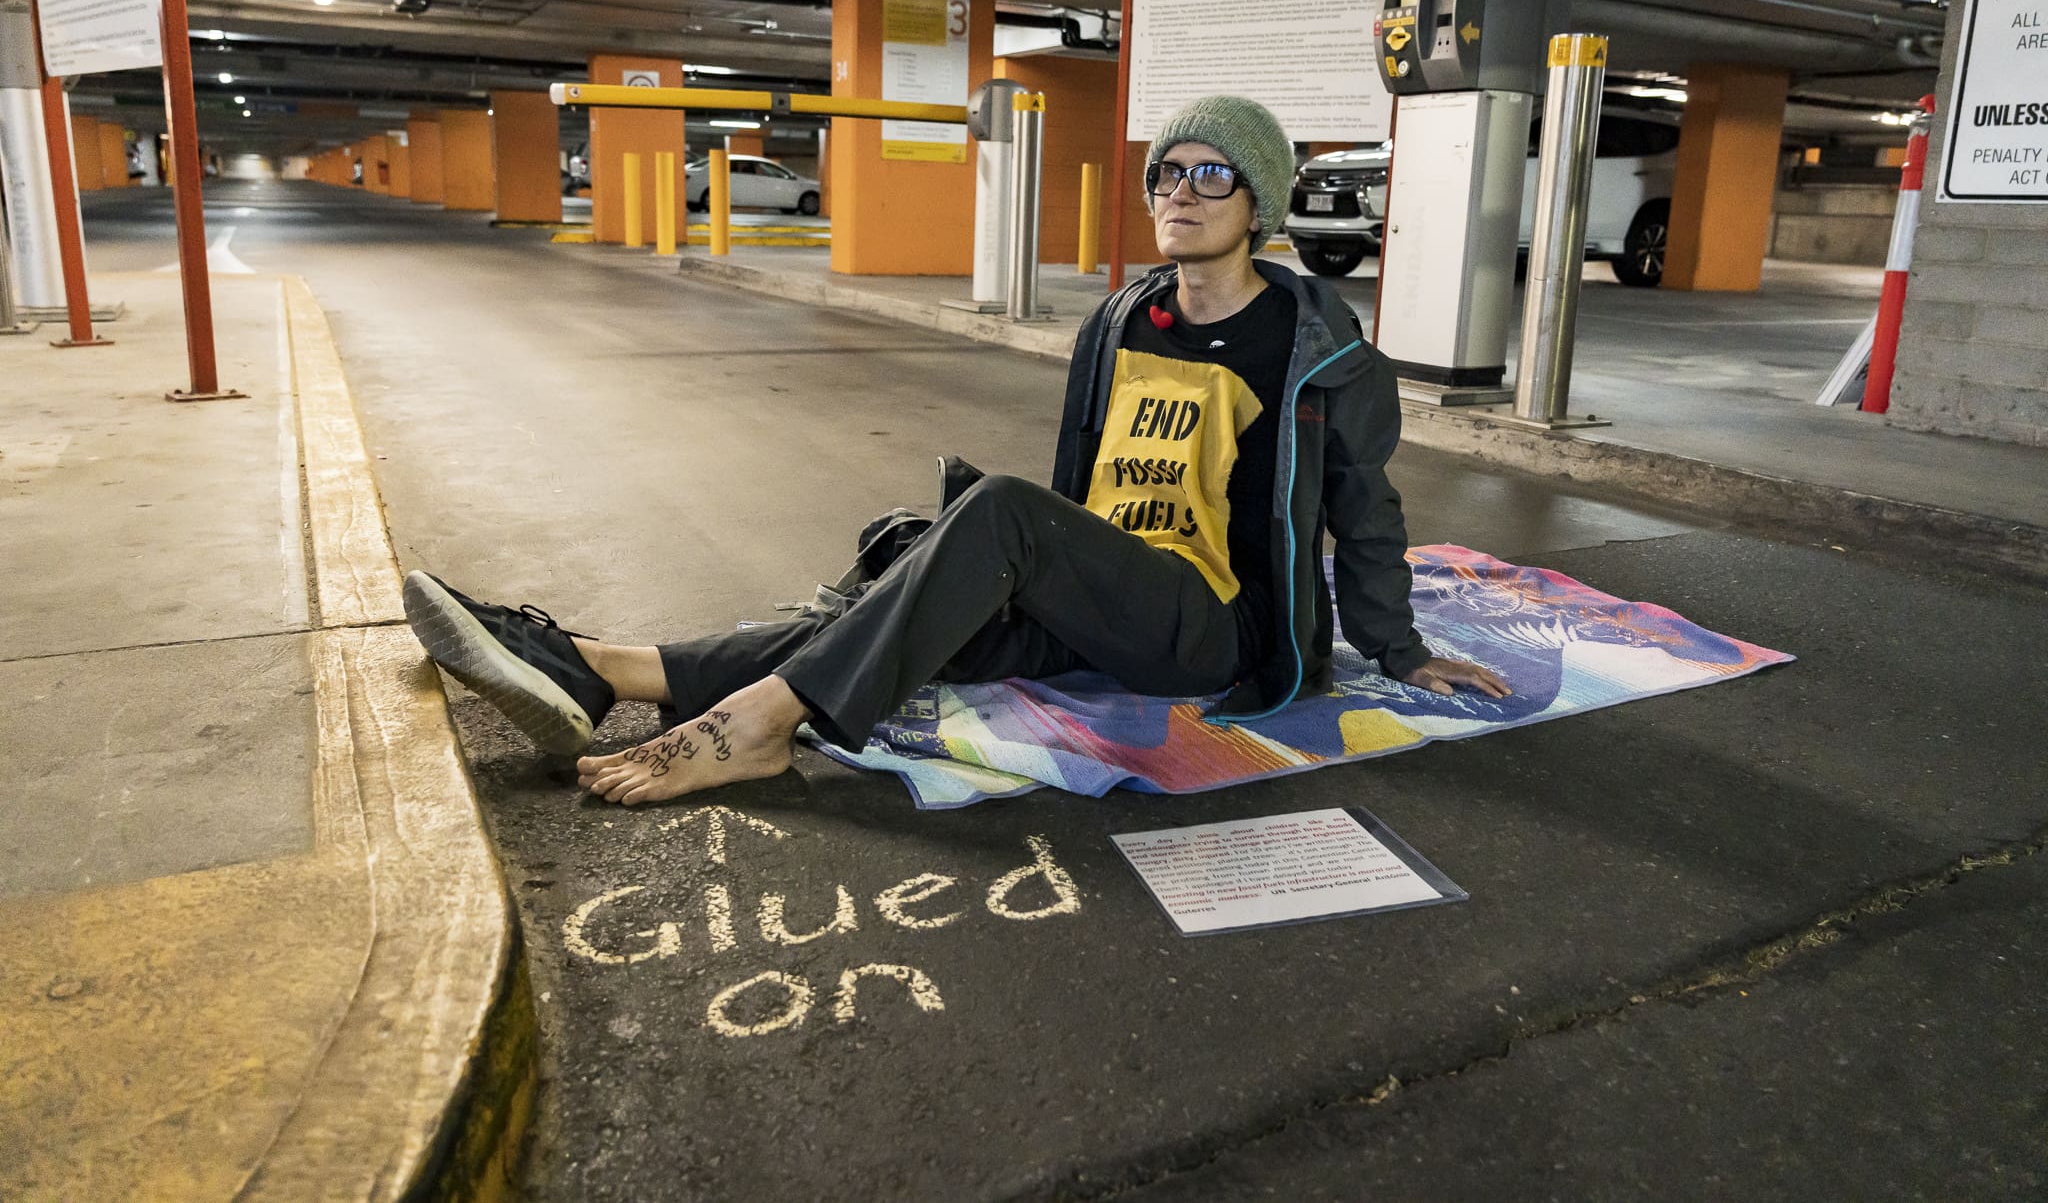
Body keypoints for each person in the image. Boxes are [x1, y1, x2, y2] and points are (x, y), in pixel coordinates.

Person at [403, 94, 1509, 807]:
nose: (1180, 191)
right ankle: (603, 665)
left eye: (1211, 174)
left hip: (1211, 623)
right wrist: (1028, 585)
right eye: (1167, 172)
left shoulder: (1319, 347)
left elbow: (1365, 511)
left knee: (1002, 515)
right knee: (904, 605)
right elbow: (1086, 484)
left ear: (1257, 203)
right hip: (1106, 593)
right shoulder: (1123, 318)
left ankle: (762, 725)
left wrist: (1400, 649)